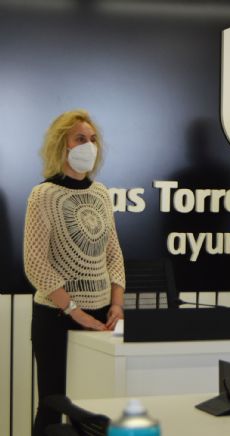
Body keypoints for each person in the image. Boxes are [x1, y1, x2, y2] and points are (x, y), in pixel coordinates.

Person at [23, 110, 126, 435]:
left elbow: (114, 253)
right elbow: (36, 263)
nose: (89, 146)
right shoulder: (43, 195)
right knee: (53, 405)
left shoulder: (100, 194)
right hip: (56, 317)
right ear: (62, 145)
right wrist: (74, 311)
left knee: (94, 407)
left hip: (100, 317)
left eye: (93, 140)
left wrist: (117, 304)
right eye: (81, 139)